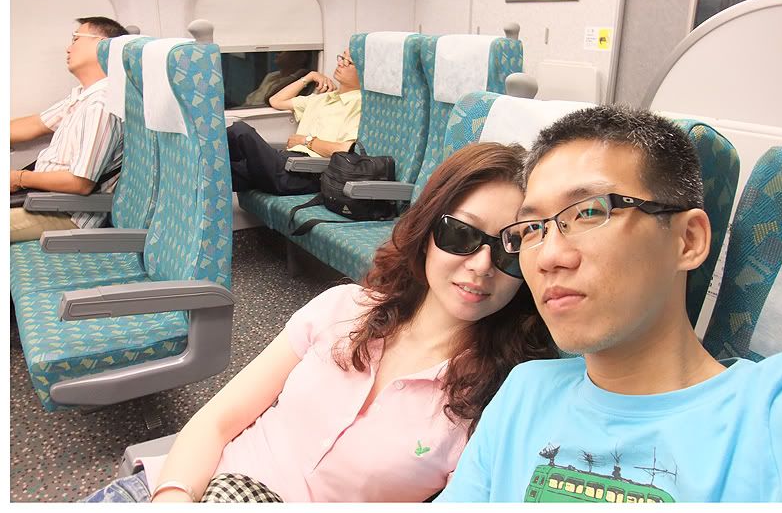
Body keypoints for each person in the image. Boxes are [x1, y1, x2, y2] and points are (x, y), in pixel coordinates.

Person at [81, 142, 558, 503]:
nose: (481, 265)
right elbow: (218, 421)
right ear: (429, 228)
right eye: (461, 234)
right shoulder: (343, 307)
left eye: (510, 247)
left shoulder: (501, 398)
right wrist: (173, 498)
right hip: (187, 486)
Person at [437, 105, 782, 503]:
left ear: (687, 240)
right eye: (533, 228)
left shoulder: (770, 412)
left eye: (589, 211)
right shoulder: (524, 393)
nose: (548, 257)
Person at [9, 16, 128, 243]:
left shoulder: (102, 104)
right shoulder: (82, 97)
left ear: (102, 45)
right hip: (43, 200)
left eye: (75, 39)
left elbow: (80, 183)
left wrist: (19, 178)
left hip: (67, 211)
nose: (68, 48)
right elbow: (36, 124)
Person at [226, 48, 362, 195]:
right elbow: (276, 100)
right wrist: (309, 76)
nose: (341, 63)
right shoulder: (322, 98)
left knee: (240, 131)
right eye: (341, 58)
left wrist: (306, 141)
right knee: (220, 172)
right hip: (287, 162)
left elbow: (346, 150)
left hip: (308, 172)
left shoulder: (359, 105)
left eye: (349, 62)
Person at [242, 50, 311, 107]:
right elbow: (251, 100)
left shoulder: (297, 83)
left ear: (301, 57)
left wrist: (295, 76)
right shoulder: (271, 76)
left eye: (282, 51)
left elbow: (270, 101)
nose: (276, 53)